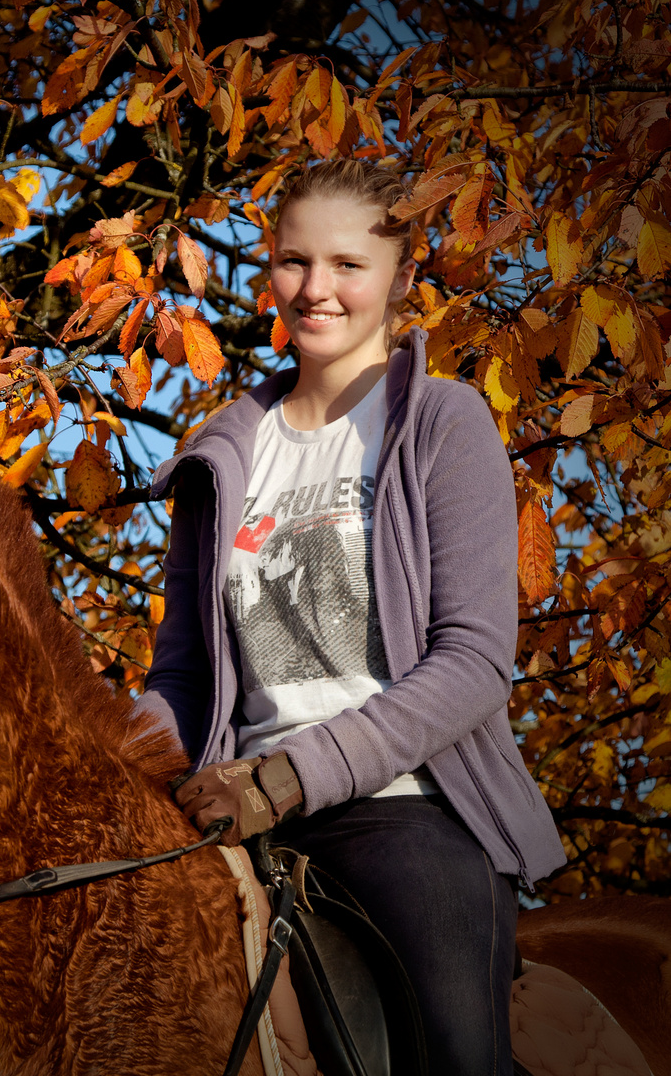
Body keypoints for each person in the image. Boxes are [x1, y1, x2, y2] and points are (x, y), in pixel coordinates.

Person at [135, 160, 567, 1076]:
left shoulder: (444, 424)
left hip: (403, 812)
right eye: (294, 261)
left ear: (404, 276)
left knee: (457, 1055)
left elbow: (475, 663)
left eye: (347, 264)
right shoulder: (221, 457)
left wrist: (292, 777)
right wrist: (108, 758)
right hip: (227, 818)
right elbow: (182, 678)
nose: (316, 289)